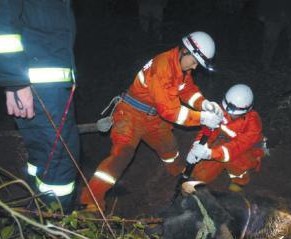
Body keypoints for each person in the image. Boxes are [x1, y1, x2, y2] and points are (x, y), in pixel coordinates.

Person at [80, 31, 223, 212]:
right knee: (121, 156)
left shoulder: (181, 67)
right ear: (185, 51)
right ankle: (92, 199)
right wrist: (202, 118)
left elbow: (187, 89)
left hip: (154, 118)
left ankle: (175, 172)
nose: (194, 68)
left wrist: (204, 103)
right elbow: (171, 111)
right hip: (130, 115)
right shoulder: (163, 67)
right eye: (194, 62)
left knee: (169, 148)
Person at [0, 0, 80, 212]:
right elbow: (4, 28)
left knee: (43, 156)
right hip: (39, 86)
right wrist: (16, 83)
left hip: (49, 85)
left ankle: (38, 211)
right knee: (59, 162)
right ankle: (58, 225)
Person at [186, 84, 266, 192]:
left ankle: (240, 182)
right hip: (225, 144)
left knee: (236, 162)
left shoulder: (253, 125)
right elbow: (209, 130)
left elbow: (235, 148)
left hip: (246, 150)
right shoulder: (222, 109)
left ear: (246, 110)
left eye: (233, 114)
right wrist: (198, 144)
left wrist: (210, 154)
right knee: (200, 175)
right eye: (226, 110)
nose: (227, 113)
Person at [255, 0, 291, 71]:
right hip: (273, 15)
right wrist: (261, 13)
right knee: (270, 39)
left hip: (290, 15)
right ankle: (265, 62)